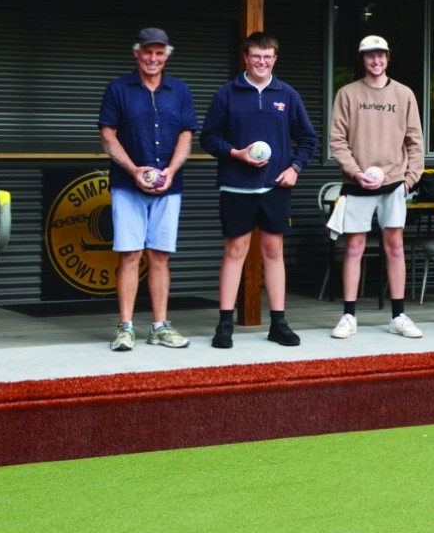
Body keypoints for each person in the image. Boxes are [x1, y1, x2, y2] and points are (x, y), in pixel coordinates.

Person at [200, 32, 318, 349]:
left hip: (275, 186)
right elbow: (208, 137)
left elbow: (308, 139)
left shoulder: (288, 95)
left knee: (273, 252)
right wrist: (236, 154)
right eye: (255, 56)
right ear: (246, 58)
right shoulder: (227, 94)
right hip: (236, 186)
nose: (261, 62)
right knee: (235, 251)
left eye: (267, 57)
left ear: (275, 59)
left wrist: (294, 169)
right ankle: (225, 324)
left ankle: (278, 324)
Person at [98, 27, 198, 351]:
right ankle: (125, 328)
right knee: (130, 254)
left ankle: (159, 327)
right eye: (147, 51)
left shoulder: (180, 90)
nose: (153, 58)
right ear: (137, 53)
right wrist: (133, 169)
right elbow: (108, 136)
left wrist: (170, 171)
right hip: (127, 185)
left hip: (170, 186)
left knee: (159, 255)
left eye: (159, 52)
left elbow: (186, 135)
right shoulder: (117, 89)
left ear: (166, 55)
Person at [327, 34, 426, 339]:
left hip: (394, 182)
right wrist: (356, 173)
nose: (376, 60)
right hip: (357, 184)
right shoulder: (347, 94)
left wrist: (408, 180)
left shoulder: (404, 94)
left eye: (381, 55)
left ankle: (398, 315)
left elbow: (415, 142)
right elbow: (338, 141)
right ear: (363, 59)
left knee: (394, 247)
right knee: (354, 247)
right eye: (370, 55)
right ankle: (348, 316)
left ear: (388, 58)